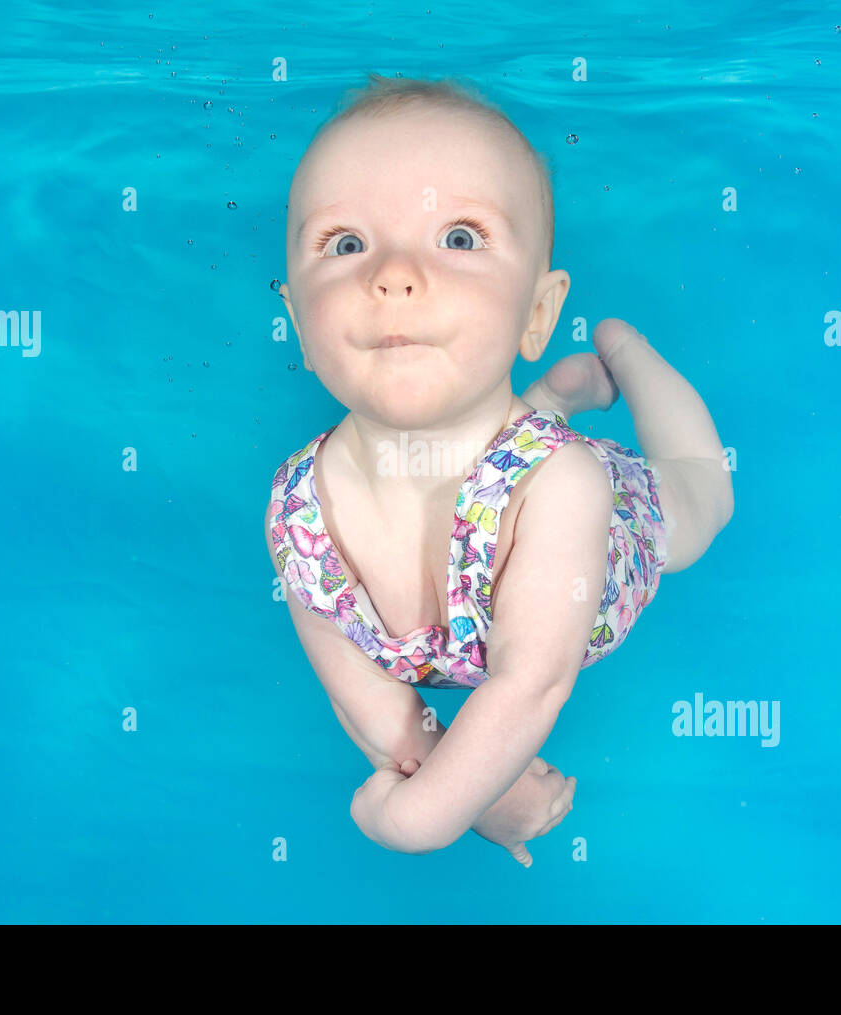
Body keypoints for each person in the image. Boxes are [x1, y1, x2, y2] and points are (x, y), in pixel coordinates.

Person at [265, 73, 733, 866]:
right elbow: (373, 703)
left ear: (539, 313)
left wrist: (421, 819)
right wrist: (481, 793)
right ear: (299, 326)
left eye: (458, 237)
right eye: (347, 244)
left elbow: (529, 686)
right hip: (508, 475)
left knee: (702, 503)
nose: (394, 274)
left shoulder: (567, 489)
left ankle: (627, 354)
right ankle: (548, 400)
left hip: (609, 525)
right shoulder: (298, 511)